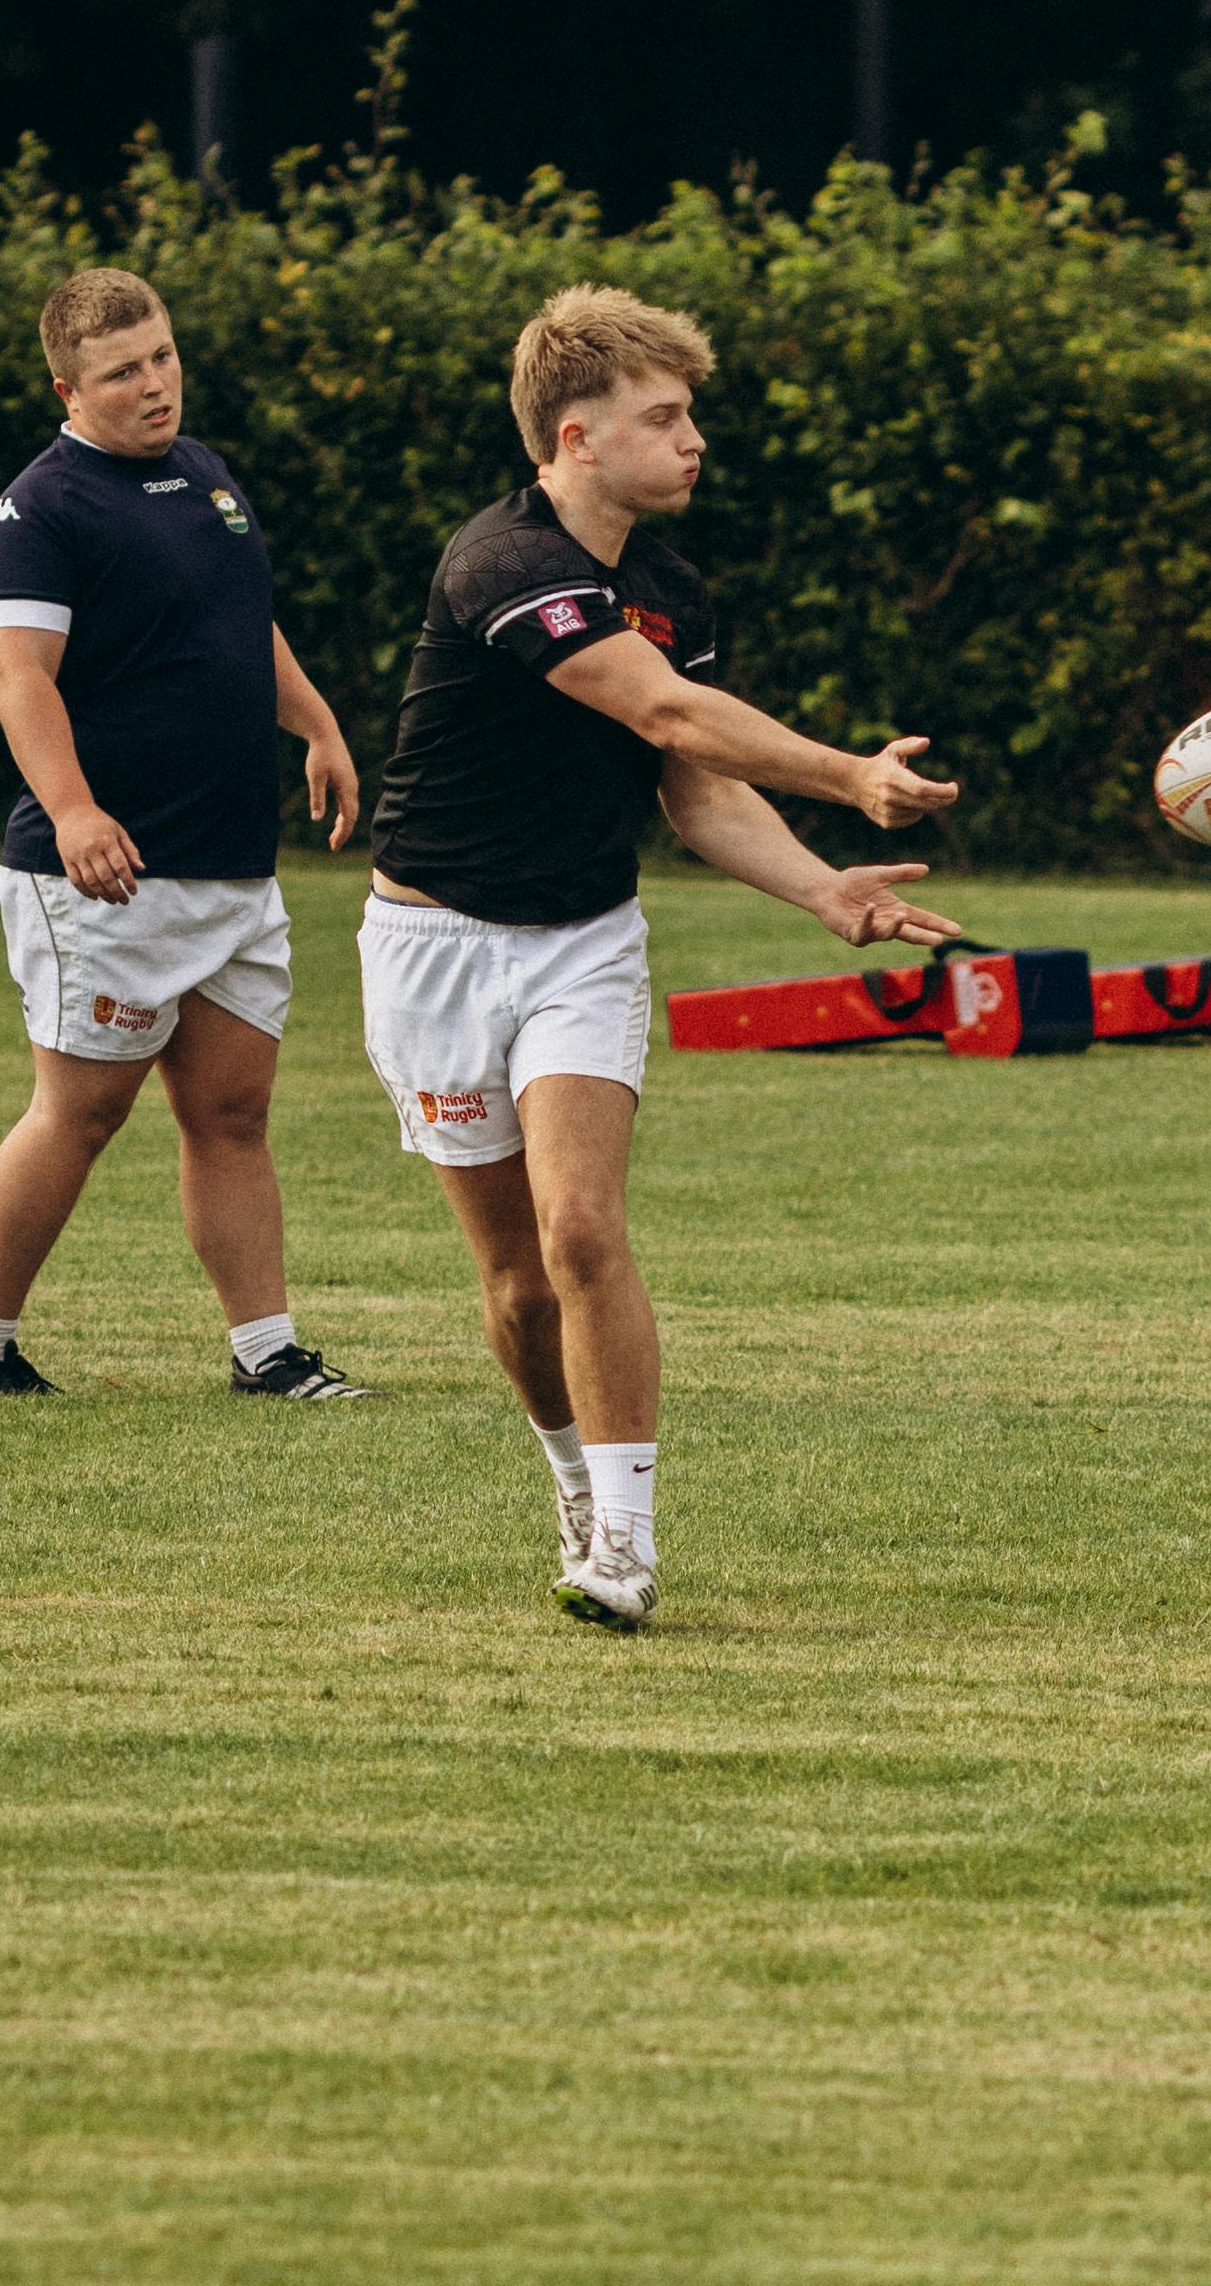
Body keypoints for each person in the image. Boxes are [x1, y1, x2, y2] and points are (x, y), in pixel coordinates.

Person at [360, 283, 965, 1633]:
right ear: (576, 436)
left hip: (580, 942)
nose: (694, 440)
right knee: (516, 1287)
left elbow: (686, 777)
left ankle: (623, 1546)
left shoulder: (669, 587)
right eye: (665, 416)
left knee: (584, 1230)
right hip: (433, 950)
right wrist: (847, 774)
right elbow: (666, 706)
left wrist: (822, 890)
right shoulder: (500, 566)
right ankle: (571, 1474)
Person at [0, 269, 367, 1400]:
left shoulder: (204, 476)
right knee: (81, 1111)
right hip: (104, 877)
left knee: (232, 1112)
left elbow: (241, 624)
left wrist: (316, 723)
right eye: (124, 370)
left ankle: (267, 1355)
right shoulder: (39, 511)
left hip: (229, 865)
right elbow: (18, 679)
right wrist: (75, 810)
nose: (155, 384)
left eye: (164, 356)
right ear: (68, 384)